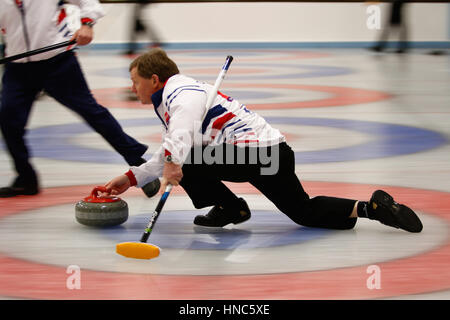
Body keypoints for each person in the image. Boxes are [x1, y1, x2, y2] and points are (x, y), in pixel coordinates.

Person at [102, 48, 423, 233]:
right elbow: (170, 148)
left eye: (135, 81)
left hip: (253, 153)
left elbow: (178, 143)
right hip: (275, 153)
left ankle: (231, 208)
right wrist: (130, 179)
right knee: (303, 212)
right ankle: (372, 208)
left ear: (154, 79)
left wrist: (174, 164)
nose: (133, 88)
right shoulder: (177, 96)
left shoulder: (178, 91)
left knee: (188, 158)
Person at [0, 0, 159, 198]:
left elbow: (88, 2)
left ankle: (138, 163)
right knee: (7, 119)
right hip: (17, 67)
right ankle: (25, 179)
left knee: (92, 113)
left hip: (57, 62)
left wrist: (87, 24)